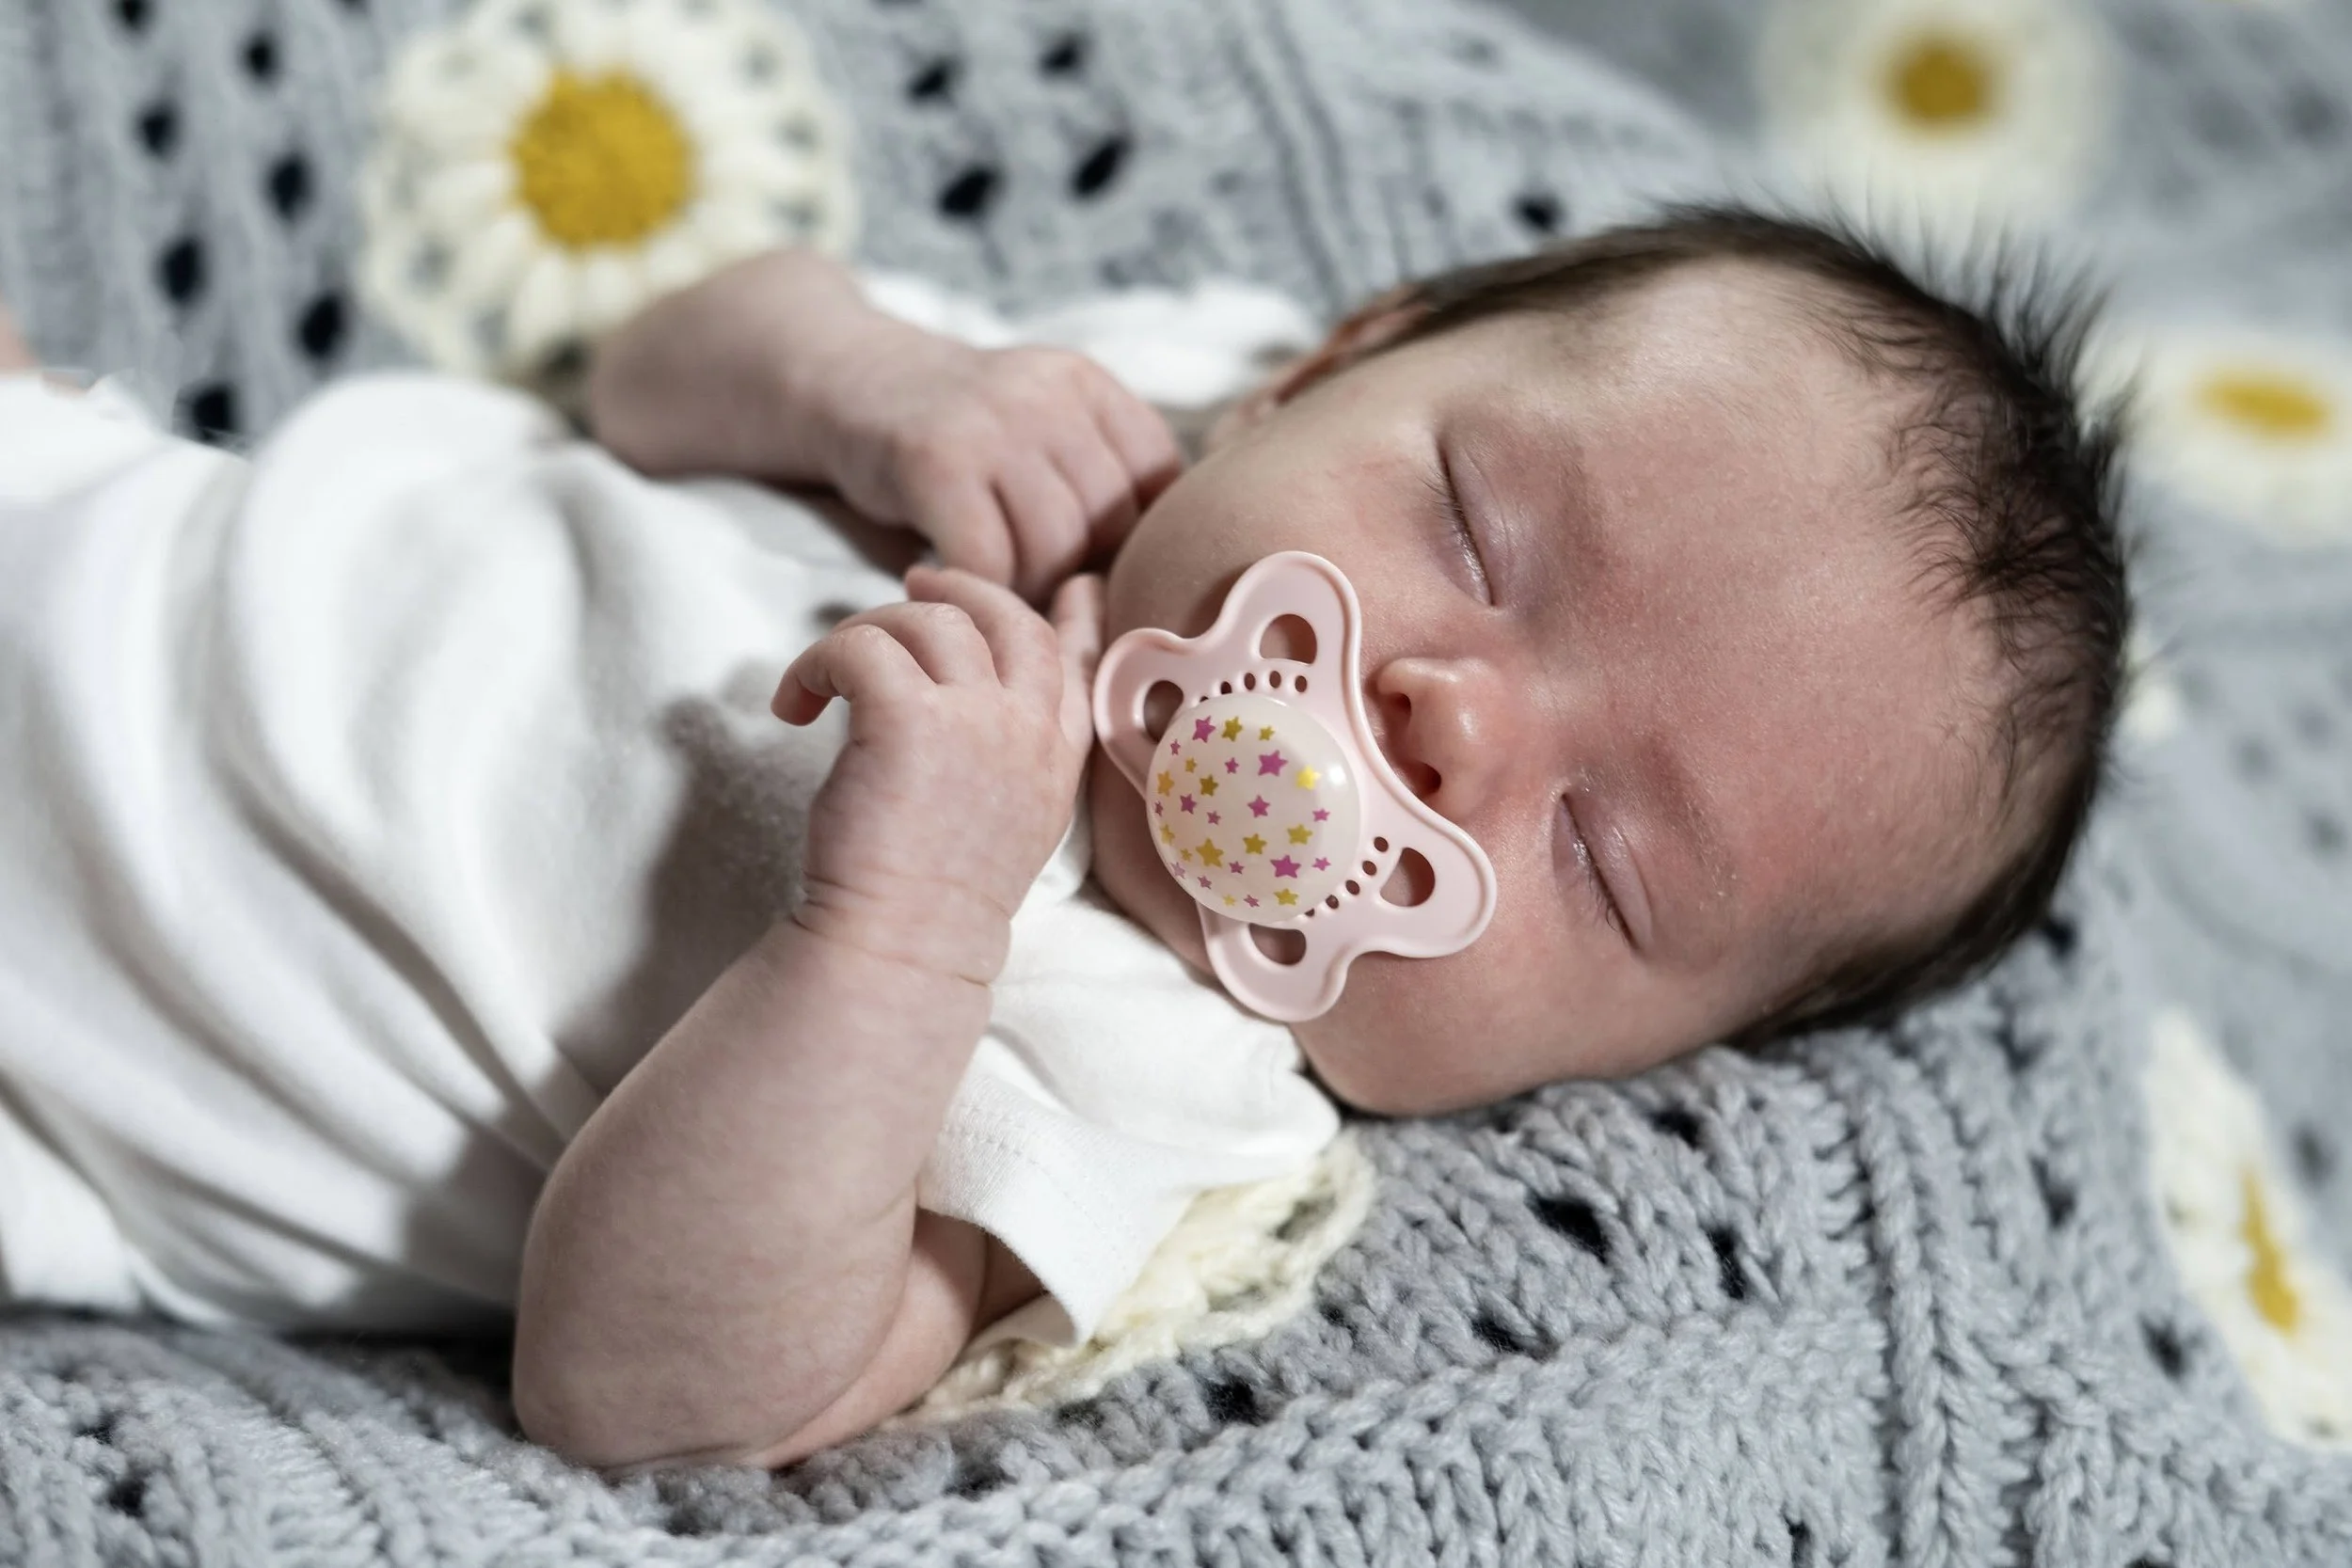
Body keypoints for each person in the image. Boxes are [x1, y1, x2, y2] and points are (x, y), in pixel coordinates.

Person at [0, 206, 2126, 1474]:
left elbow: (643, 1391)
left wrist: (901, 932)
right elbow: (645, 374)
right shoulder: (1093, 435)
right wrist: (861, 375)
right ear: (1330, 363)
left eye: (1605, 861)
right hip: (91, 508)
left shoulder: (1146, 1085)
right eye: (1476, 532)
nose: (1456, 717)